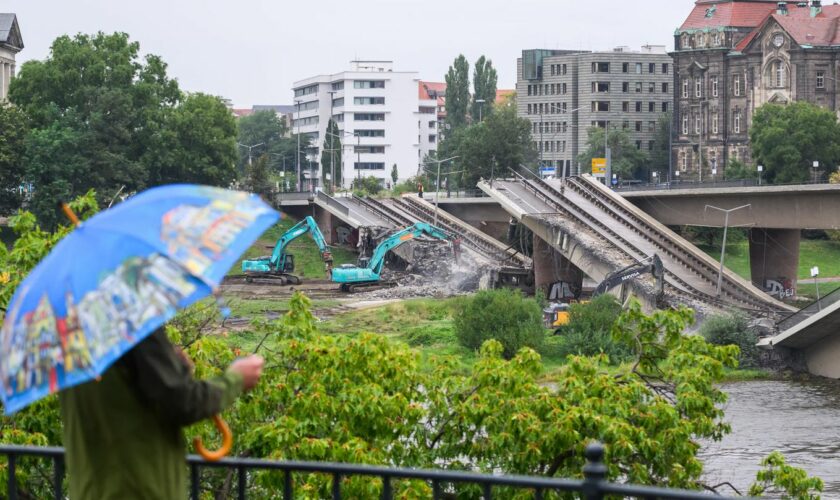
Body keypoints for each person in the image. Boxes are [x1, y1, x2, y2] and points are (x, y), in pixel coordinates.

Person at [59, 327, 264, 499]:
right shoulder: (134, 324)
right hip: (139, 489)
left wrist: (169, 368)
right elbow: (184, 403)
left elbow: (120, 398)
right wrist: (235, 379)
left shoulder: (69, 334)